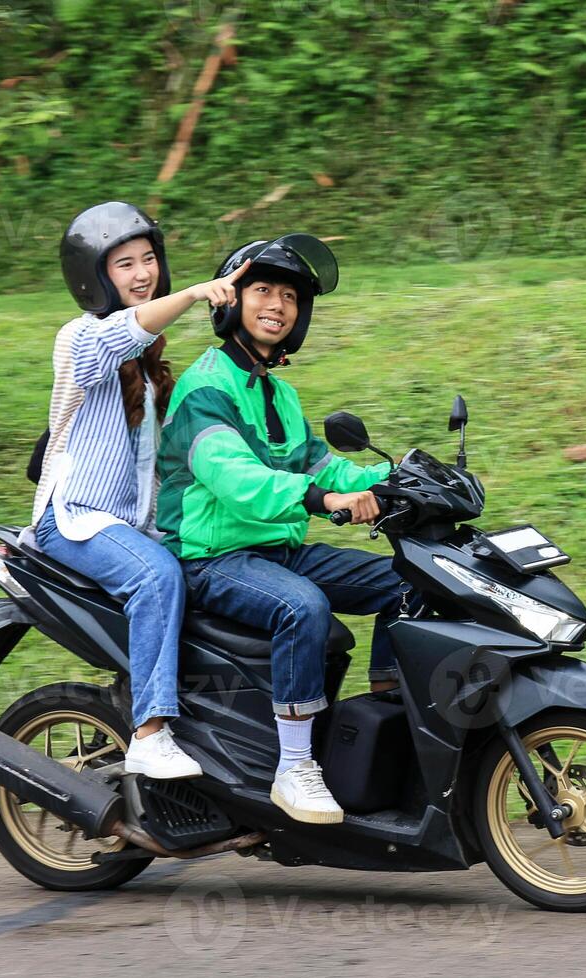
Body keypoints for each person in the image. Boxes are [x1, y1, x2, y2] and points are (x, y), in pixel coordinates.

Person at [155, 234, 404, 824]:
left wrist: (403, 476)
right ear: (231, 301)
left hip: (273, 551)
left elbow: (323, 464)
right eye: (262, 289)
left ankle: (390, 711)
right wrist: (326, 499)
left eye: (289, 295)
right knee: (303, 608)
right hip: (211, 557)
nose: (277, 303)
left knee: (409, 579)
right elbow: (238, 479)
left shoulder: (280, 393)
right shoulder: (203, 389)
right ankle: (295, 768)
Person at [26, 200, 250, 780]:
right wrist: (199, 294)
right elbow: (118, 338)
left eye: (148, 259)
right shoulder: (79, 338)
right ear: (95, 277)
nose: (142, 273)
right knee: (156, 577)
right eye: (124, 264)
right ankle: (150, 734)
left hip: (133, 525)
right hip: (75, 518)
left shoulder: (151, 362)